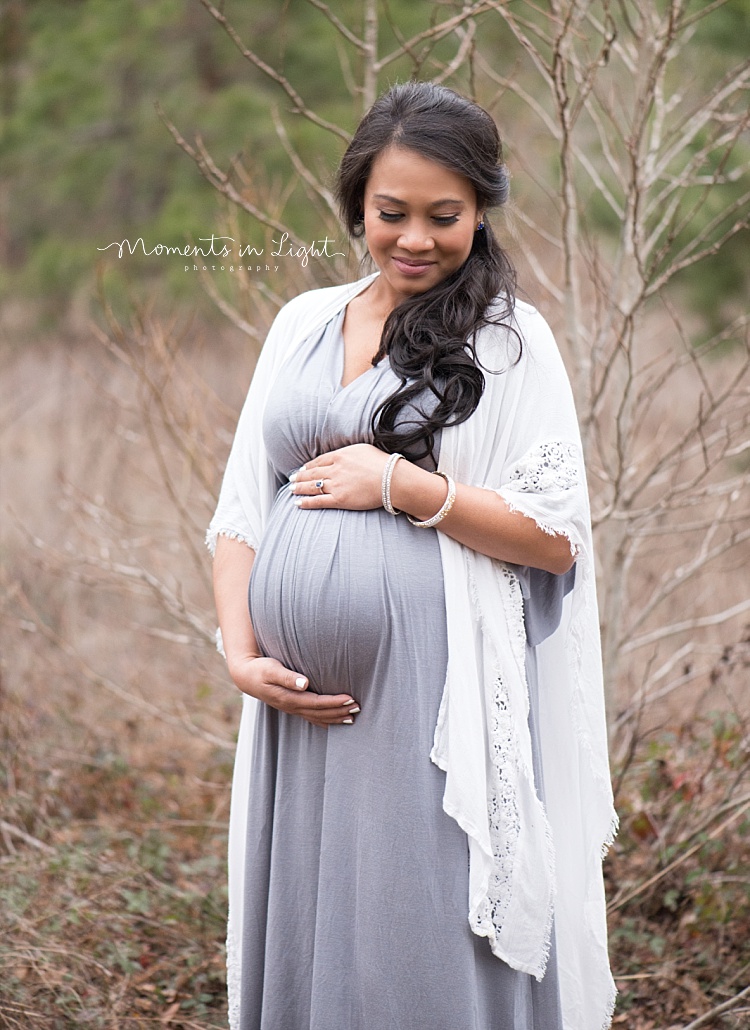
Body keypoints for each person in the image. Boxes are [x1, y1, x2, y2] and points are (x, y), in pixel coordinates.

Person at [207, 81, 617, 1030]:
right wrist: (239, 652)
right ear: (357, 203)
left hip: (435, 701)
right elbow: (240, 511)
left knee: (419, 937)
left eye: (446, 216)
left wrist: (403, 487)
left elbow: (557, 538)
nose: (416, 239)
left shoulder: (509, 343)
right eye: (392, 214)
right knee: (316, 933)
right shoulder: (301, 322)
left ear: (482, 210)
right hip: (298, 712)